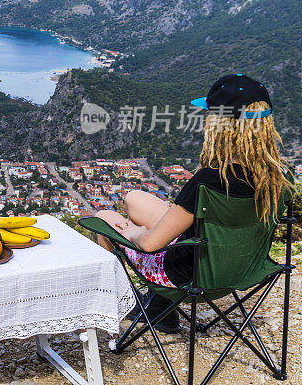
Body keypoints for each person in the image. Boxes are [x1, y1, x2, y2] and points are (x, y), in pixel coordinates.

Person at [94, 74, 293, 332]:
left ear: (221, 125)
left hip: (187, 275)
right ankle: (159, 310)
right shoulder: (280, 176)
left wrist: (133, 232)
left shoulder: (210, 179)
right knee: (134, 200)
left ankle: (132, 304)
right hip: (240, 269)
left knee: (104, 218)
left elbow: (151, 244)